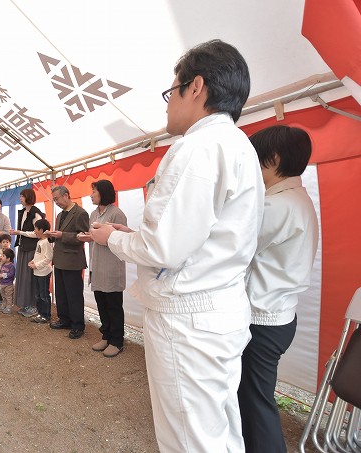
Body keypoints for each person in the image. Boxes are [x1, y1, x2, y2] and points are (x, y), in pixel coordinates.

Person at [91, 39, 264, 452]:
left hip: (189, 318)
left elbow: (162, 248)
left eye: (173, 92)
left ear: (197, 87)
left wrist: (112, 237)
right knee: (217, 430)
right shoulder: (240, 146)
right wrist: (136, 239)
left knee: (189, 439)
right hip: (217, 308)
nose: (168, 104)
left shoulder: (197, 148)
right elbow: (192, 238)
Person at [238, 126, 319, 453]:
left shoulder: (279, 206)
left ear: (274, 159)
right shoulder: (295, 200)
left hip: (264, 319)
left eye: (257, 160)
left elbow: (233, 246)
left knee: (256, 402)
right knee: (251, 396)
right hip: (277, 315)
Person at [78, 180, 127, 358]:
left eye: (94, 192)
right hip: (97, 265)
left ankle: (117, 341)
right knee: (101, 303)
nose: (91, 195)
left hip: (112, 267)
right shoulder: (93, 214)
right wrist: (87, 237)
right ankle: (106, 336)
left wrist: (97, 237)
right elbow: (94, 236)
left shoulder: (116, 214)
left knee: (113, 305)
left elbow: (121, 240)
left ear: (103, 193)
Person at [47, 185, 90, 339]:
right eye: (54, 200)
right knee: (61, 293)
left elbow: (83, 236)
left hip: (72, 260)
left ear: (66, 195)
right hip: (59, 259)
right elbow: (59, 235)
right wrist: (50, 235)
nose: (56, 202)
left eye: (57, 199)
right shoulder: (60, 215)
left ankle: (78, 325)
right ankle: (64, 319)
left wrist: (62, 235)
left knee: (74, 294)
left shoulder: (81, 213)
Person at [10, 188, 45, 317]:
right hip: (24, 247)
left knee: (30, 278)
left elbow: (38, 233)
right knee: (23, 277)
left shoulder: (36, 213)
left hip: (32, 249)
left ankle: (33, 305)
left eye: (22, 196)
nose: (20, 198)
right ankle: (25, 304)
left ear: (28, 197)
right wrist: (18, 233)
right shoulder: (23, 212)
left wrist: (19, 232)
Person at [28, 218, 53, 324]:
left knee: (44, 295)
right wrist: (32, 262)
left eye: (36, 229)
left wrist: (36, 265)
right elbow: (38, 255)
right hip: (38, 272)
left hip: (44, 272)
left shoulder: (46, 242)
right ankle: (40, 313)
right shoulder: (39, 241)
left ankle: (46, 315)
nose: (34, 231)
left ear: (42, 230)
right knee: (38, 294)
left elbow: (48, 258)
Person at [0, 233, 13, 306]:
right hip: (1, 271)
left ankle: (9, 302)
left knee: (8, 288)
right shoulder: (1, 250)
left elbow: (11, 262)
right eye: (3, 242)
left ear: (10, 243)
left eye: (7, 242)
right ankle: (0, 299)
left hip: (7, 273)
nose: (5, 244)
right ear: (0, 243)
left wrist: (4, 259)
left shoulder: (10, 252)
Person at [0, 248, 16, 314]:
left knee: (8, 296)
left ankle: (9, 307)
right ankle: (4, 305)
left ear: (8, 258)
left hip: (8, 284)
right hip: (2, 283)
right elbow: (0, 271)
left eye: (3, 256)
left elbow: (11, 274)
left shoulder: (12, 266)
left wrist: (2, 275)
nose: (2, 257)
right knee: (3, 295)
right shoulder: (3, 265)